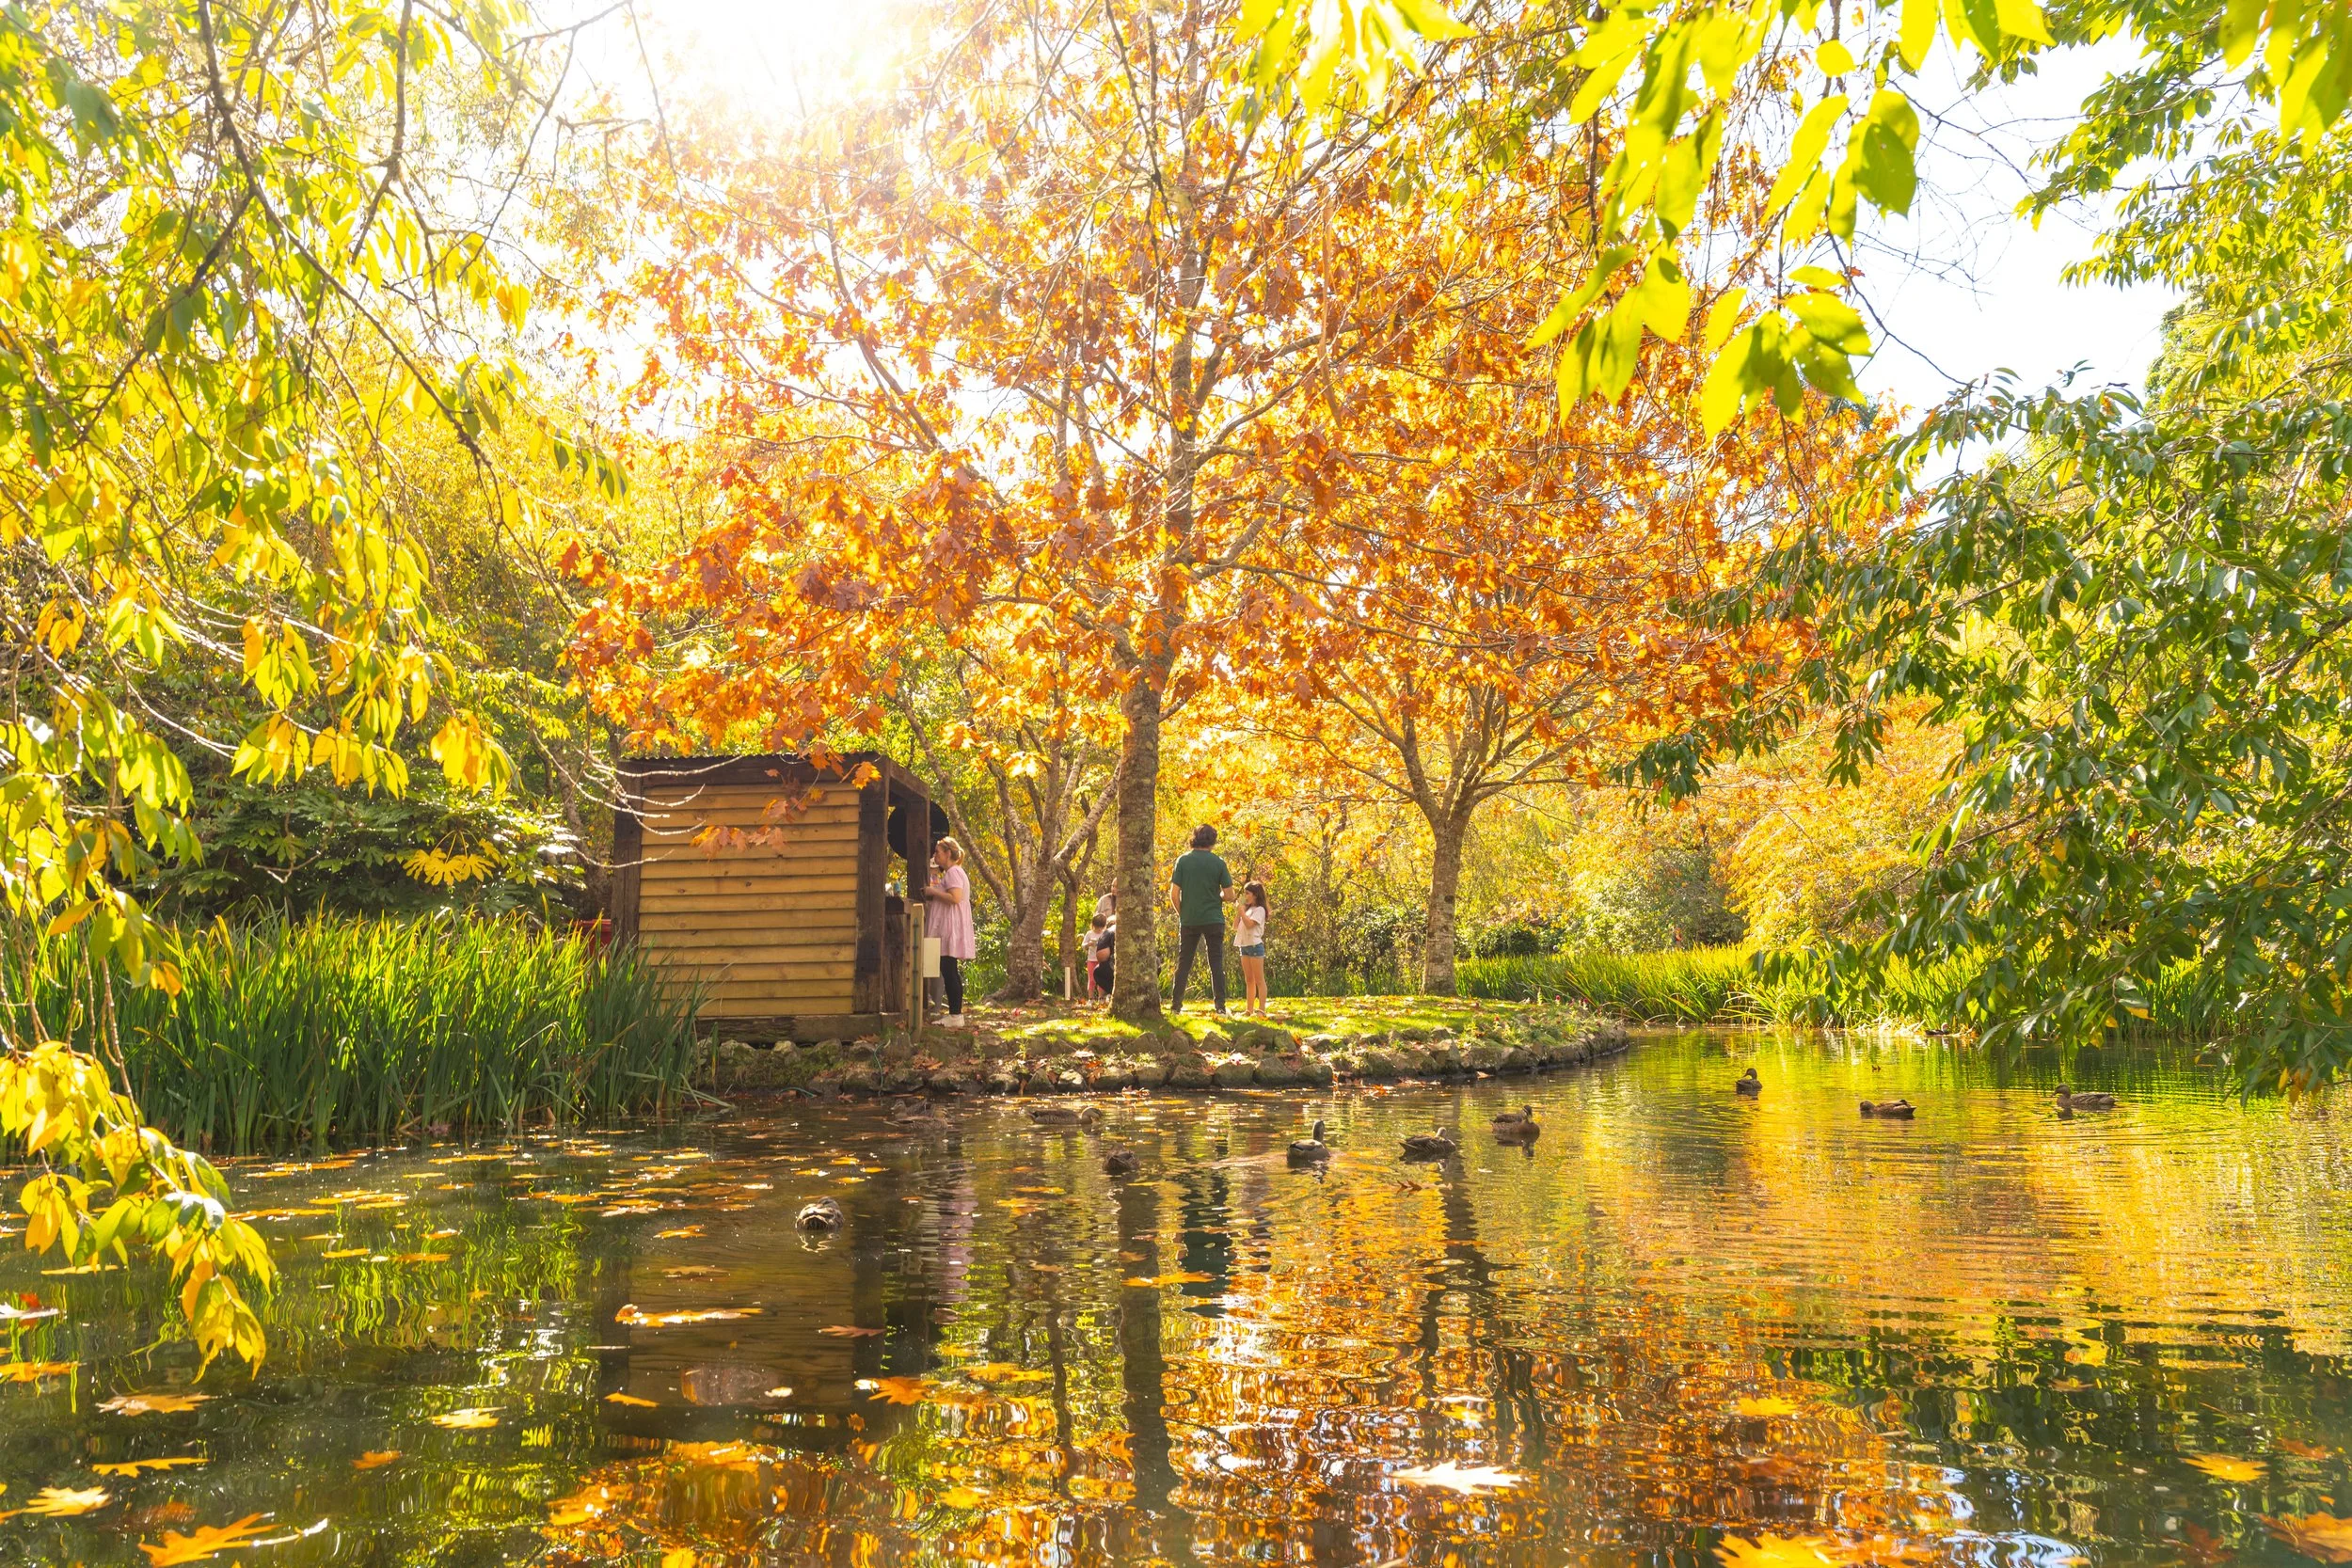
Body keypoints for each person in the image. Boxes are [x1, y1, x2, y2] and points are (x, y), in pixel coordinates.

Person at [1168, 824, 1232, 1013]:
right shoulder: (1218, 863)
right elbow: (1229, 895)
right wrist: (1217, 897)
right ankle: (1220, 1007)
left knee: (1184, 963)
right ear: (1212, 841)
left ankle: (1175, 1006)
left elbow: (1174, 893)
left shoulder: (1183, 861)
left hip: (1189, 919)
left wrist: (1183, 913)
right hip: (1214, 918)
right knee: (1216, 963)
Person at [923, 837, 977, 1028]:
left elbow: (955, 898)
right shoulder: (953, 873)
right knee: (949, 969)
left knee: (949, 970)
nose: (935, 855)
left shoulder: (953, 872)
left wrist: (932, 891)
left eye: (938, 852)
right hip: (950, 925)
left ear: (948, 853)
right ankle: (955, 1014)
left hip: (950, 927)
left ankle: (955, 1015)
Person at [1232, 880, 1269, 1017]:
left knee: (1259, 979)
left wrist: (1242, 911)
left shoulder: (1259, 910)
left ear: (1255, 895)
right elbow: (1235, 926)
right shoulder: (1248, 910)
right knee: (1249, 980)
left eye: (1247, 893)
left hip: (1255, 946)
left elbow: (1249, 925)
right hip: (1244, 946)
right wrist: (1240, 911)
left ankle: (1261, 1010)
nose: (1245, 896)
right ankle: (1249, 1009)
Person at [1081, 912, 1108, 1000]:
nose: (1098, 929)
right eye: (1097, 927)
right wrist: (1088, 944)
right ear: (1093, 925)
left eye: (1100, 927)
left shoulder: (1105, 934)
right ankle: (1091, 998)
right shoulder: (1089, 934)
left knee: (1101, 980)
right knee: (1092, 980)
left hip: (1102, 960)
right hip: (1091, 960)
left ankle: (1101, 997)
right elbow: (1083, 945)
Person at [1090, 914, 1116, 1005]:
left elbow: (1102, 956)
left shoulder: (1108, 933)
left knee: (1098, 971)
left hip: (1117, 967)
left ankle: (1114, 993)